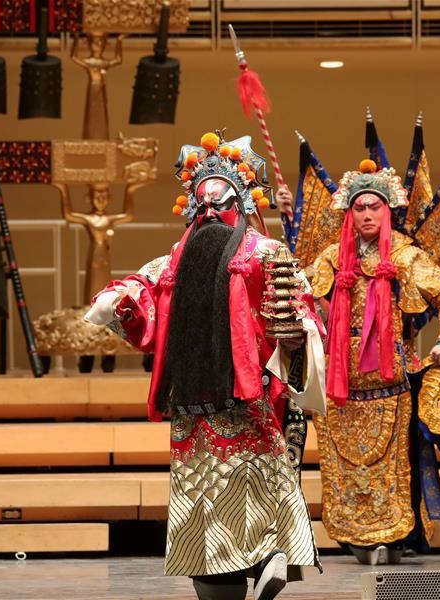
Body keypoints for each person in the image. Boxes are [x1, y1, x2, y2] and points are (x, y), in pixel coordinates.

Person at [85, 132, 323, 600]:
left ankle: (270, 552)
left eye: (223, 205)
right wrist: (119, 301)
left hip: (248, 399)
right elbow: (141, 289)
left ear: (242, 204)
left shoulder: (266, 253)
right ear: (192, 208)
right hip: (193, 406)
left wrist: (296, 331)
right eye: (204, 207)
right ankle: (219, 573)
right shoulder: (175, 258)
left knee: (257, 485)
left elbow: (304, 310)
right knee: (202, 494)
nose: (212, 214)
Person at [301, 160, 440, 565]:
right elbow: (299, 294)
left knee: (392, 466)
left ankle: (390, 537)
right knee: (344, 464)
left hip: (390, 384)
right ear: (349, 213)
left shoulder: (406, 257)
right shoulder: (331, 258)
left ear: (387, 210)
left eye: (375, 206)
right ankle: (356, 536)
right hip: (342, 384)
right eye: (360, 207)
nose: (368, 214)